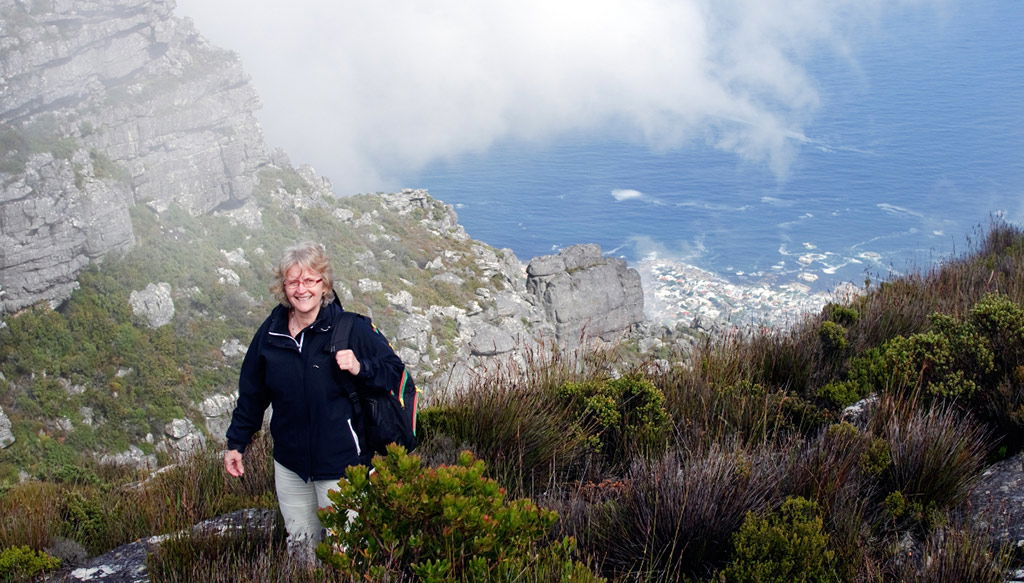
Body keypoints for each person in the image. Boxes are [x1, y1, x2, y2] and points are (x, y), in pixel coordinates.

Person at [223, 241, 404, 563]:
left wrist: (361, 367)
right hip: (290, 464)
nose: (301, 289)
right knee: (301, 545)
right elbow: (252, 394)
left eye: (310, 280)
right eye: (293, 281)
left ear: (324, 285)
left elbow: (395, 372)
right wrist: (237, 444)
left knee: (346, 551)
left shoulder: (353, 328)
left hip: (342, 463)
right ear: (283, 287)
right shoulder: (271, 333)